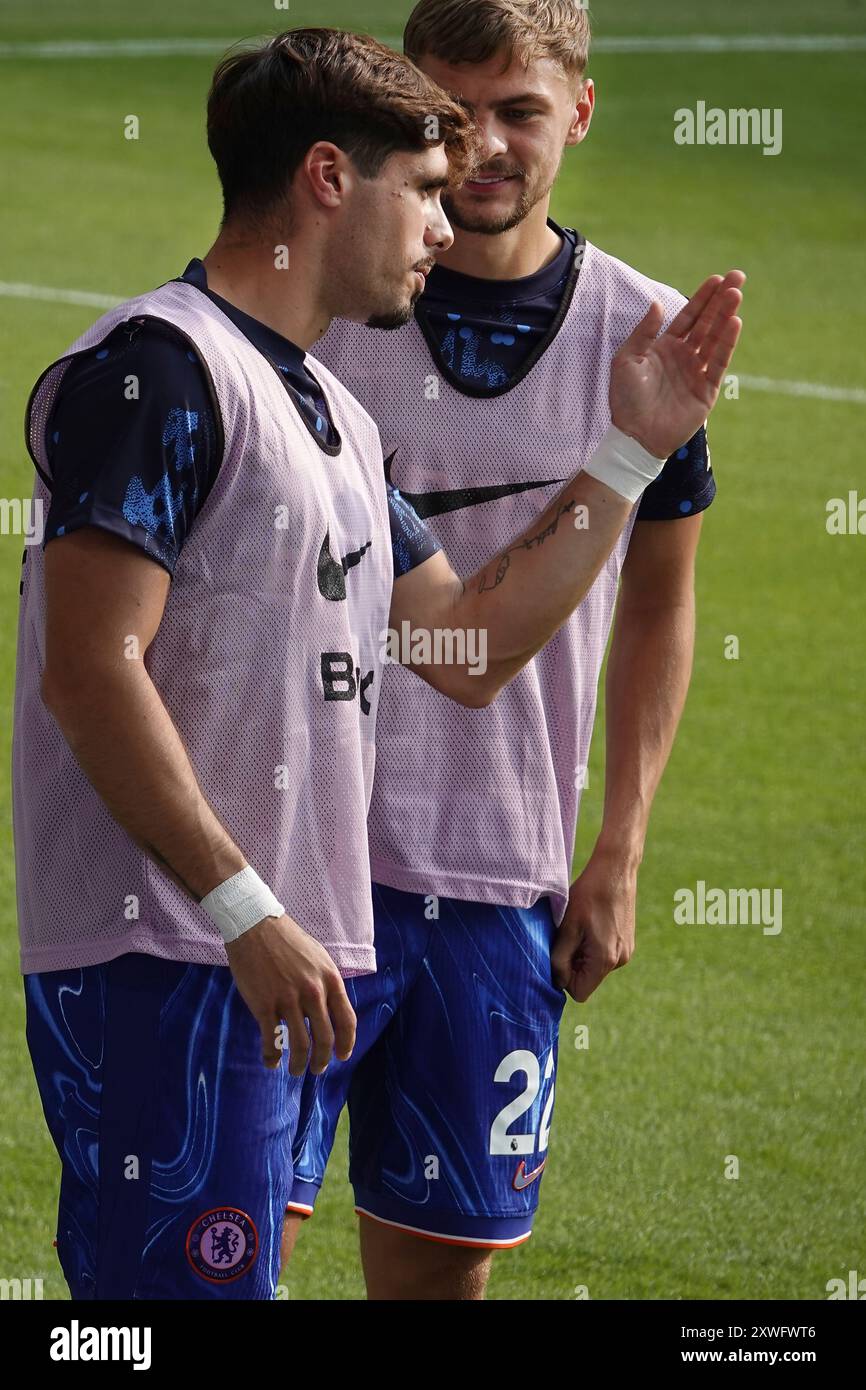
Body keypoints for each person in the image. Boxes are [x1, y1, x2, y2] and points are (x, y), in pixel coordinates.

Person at [15, 26, 741, 1300]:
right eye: (420, 182)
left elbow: (463, 648)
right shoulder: (157, 375)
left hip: (265, 952)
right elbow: (90, 670)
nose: (442, 225)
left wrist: (628, 456)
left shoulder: (332, 417)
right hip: (170, 957)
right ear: (327, 181)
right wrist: (245, 910)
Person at [283, 1, 745, 1300]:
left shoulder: (649, 337)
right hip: (302, 867)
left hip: (499, 880)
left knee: (437, 1278)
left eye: (518, 110)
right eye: (447, 110)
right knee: (227, 1257)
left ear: (579, 112)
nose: (480, 144)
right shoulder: (324, 306)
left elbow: (660, 604)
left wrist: (621, 847)